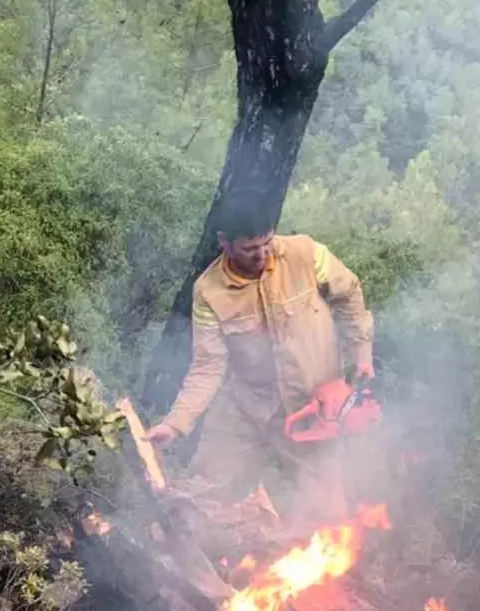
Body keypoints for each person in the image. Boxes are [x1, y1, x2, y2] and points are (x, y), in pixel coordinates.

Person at [146, 212, 374, 510]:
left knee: (327, 516)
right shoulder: (208, 292)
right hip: (244, 410)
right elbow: (207, 366)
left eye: (267, 243)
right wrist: (175, 424)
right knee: (200, 499)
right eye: (250, 249)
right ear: (224, 243)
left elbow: (350, 294)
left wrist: (361, 354)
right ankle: (181, 554)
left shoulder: (306, 253)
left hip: (312, 411)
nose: (263, 255)